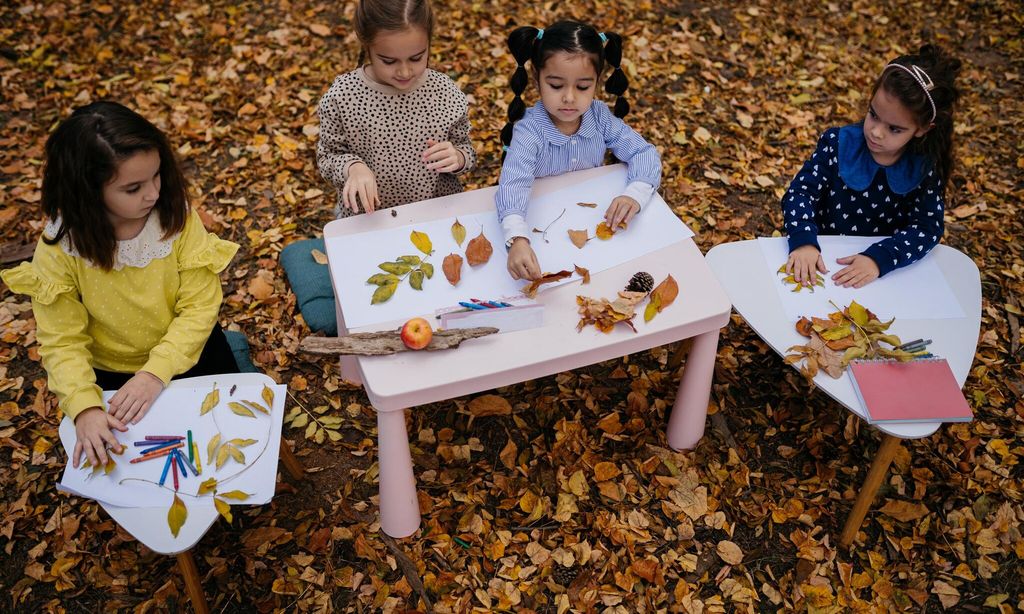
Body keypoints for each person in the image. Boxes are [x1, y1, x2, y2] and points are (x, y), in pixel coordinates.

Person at [1, 101, 240, 468]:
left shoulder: (175, 218)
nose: (153, 194)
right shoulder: (61, 249)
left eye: (157, 175)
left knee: (224, 439)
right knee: (137, 465)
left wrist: (155, 372)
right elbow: (61, 339)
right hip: (110, 372)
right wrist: (83, 406)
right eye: (133, 188)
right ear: (87, 191)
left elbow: (199, 306)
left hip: (190, 351)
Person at [783, 44, 961, 288]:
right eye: (873, 114)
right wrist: (803, 240)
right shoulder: (837, 144)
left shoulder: (923, 169)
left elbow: (926, 228)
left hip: (880, 280)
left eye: (894, 129)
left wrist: (881, 258)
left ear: (922, 129)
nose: (876, 132)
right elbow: (801, 193)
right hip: (821, 260)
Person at [495, 20, 661, 281]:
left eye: (583, 87)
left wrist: (634, 194)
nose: (570, 98)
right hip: (545, 232)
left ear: (597, 81)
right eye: (557, 85)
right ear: (537, 78)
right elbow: (513, 185)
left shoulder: (600, 118)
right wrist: (517, 238)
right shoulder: (529, 132)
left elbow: (643, 153)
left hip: (593, 226)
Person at [316, 0, 476, 218]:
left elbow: (466, 150)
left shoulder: (444, 92)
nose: (404, 71)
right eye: (389, 61)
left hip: (434, 213)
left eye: (416, 58)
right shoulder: (343, 97)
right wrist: (353, 167)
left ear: (429, 42)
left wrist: (457, 158)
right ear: (367, 46)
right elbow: (328, 156)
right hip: (369, 218)